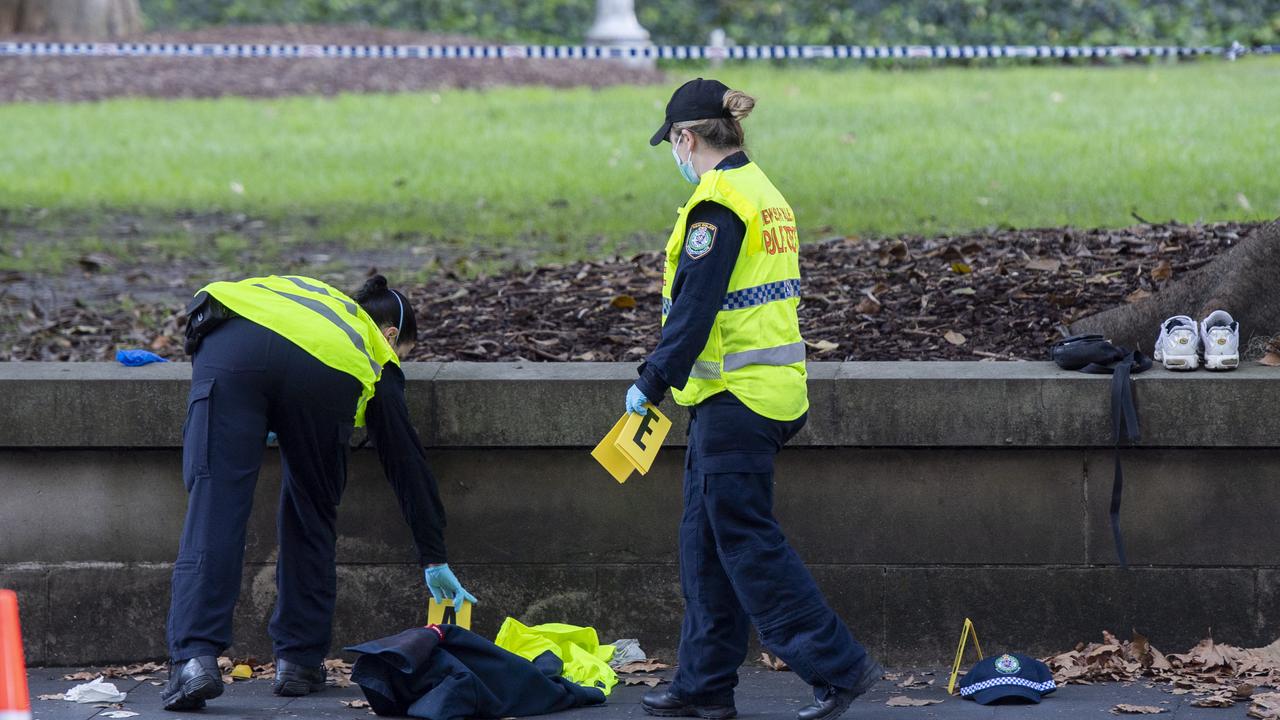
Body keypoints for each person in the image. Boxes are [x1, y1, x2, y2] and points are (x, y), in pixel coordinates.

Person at [629, 79, 882, 720]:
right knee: (705, 543)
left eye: (674, 143)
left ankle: (839, 667)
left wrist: (653, 378)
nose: (675, 156)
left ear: (688, 138)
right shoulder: (763, 192)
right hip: (752, 393)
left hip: (736, 398)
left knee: (744, 542)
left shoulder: (718, 205)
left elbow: (695, 305)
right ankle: (704, 686)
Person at [162, 274, 477, 711]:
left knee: (215, 504)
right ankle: (299, 661)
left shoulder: (318, 300)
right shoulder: (368, 345)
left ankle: (194, 660)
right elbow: (406, 461)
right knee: (312, 509)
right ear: (392, 336)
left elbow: (263, 345)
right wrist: (434, 555)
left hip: (229, 336)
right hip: (324, 373)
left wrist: (263, 404)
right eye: (406, 353)